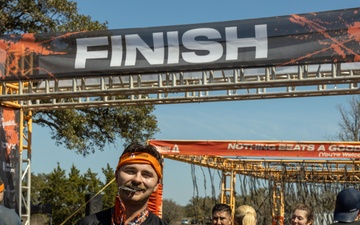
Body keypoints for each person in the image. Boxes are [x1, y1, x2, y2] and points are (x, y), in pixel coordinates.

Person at [76, 143, 168, 225]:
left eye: (146, 175)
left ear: (157, 184)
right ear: (116, 176)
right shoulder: (88, 223)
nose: (137, 179)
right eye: (130, 171)